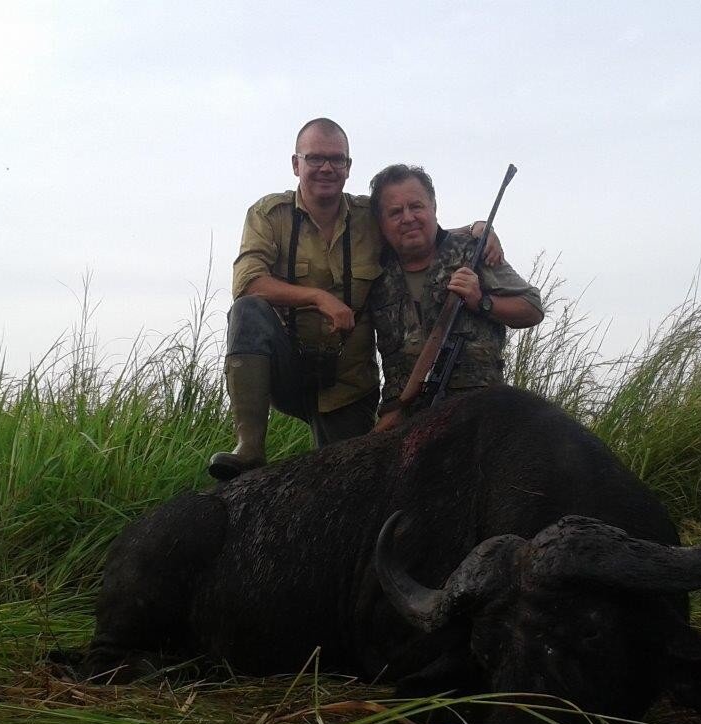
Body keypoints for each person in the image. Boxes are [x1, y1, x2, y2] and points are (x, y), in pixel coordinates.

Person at [210, 119, 502, 480]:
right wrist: (318, 297)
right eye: (315, 158)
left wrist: (477, 230)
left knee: (347, 486)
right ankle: (250, 448)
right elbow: (248, 282)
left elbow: (416, 230)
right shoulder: (269, 215)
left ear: (348, 167)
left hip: (347, 385)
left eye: (337, 159)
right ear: (295, 164)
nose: (327, 168)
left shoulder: (369, 216)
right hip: (288, 369)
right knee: (247, 311)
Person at [366, 163, 543, 427]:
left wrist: (482, 302)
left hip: (480, 416)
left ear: (433, 207)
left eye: (416, 207)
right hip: (402, 419)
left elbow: (532, 308)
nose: (408, 218)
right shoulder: (372, 272)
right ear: (381, 222)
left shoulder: (474, 252)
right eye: (395, 212)